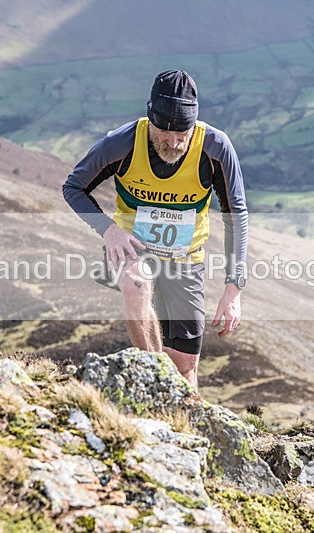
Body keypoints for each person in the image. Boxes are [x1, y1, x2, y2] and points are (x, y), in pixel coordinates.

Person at [62, 70, 248, 390]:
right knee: (136, 283)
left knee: (185, 368)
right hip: (132, 245)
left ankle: (180, 418)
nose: (173, 142)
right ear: (150, 119)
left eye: (182, 134)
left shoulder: (215, 147)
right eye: (164, 132)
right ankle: (151, 383)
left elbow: (236, 215)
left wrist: (234, 290)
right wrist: (110, 231)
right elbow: (74, 187)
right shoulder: (120, 143)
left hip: (185, 258)